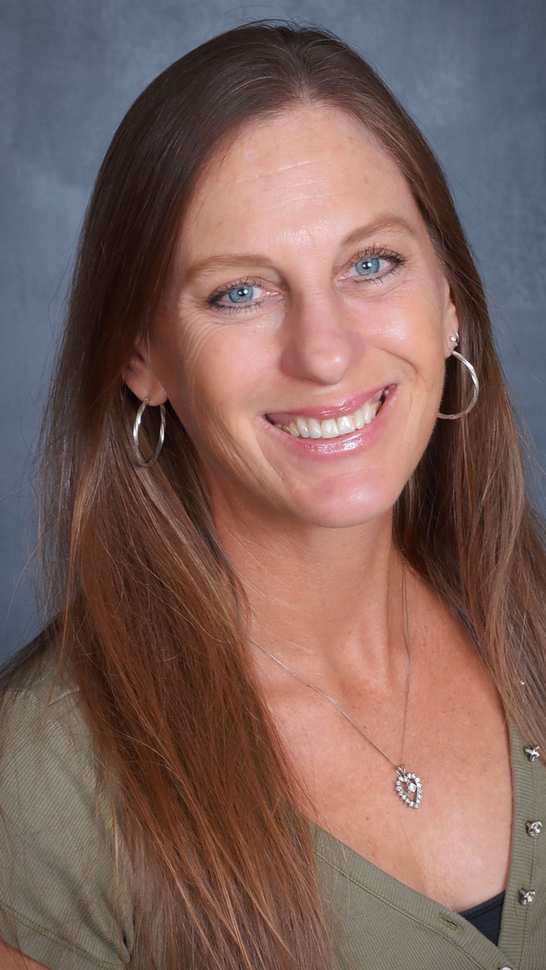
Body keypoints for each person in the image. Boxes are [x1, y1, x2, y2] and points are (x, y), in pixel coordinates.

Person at [0, 19, 545, 970]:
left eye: (371, 264)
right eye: (240, 293)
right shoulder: (45, 787)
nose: (326, 352)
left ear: (450, 298)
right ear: (142, 355)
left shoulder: (530, 606)